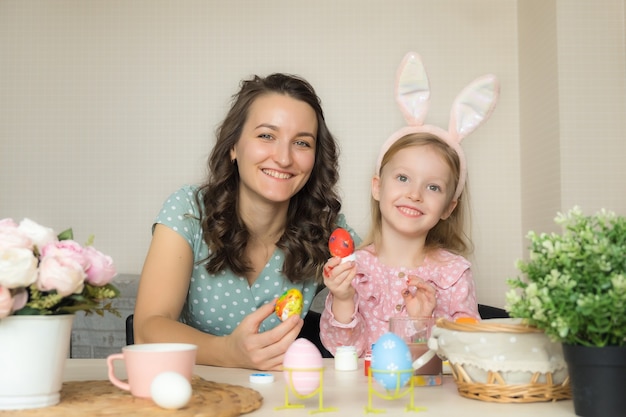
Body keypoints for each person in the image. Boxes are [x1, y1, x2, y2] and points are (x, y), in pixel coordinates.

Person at [133, 73, 358, 370]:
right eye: (266, 136)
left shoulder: (328, 230)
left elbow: (388, 276)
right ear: (234, 146)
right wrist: (228, 352)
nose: (283, 158)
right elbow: (146, 330)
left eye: (302, 143)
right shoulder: (188, 211)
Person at [319, 52, 499, 357]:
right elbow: (343, 352)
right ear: (377, 187)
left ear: (448, 207)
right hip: (363, 402)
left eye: (433, 186)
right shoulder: (355, 269)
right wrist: (343, 297)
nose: (415, 194)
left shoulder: (453, 273)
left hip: (428, 402)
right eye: (403, 178)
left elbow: (468, 353)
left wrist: (420, 323)